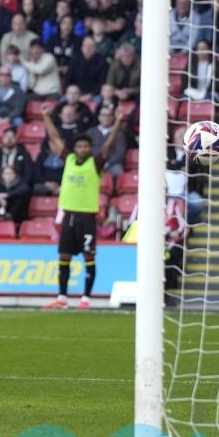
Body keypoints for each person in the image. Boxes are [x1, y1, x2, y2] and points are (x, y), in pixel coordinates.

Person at [42, 104, 124, 311]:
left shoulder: (95, 163)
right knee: (64, 256)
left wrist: (117, 122)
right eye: (79, 146)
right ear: (75, 148)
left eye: (86, 147)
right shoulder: (68, 159)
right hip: (68, 215)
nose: (82, 149)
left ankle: (85, 299)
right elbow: (54, 137)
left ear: (89, 148)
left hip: (87, 217)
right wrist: (45, 116)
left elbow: (109, 143)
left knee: (89, 257)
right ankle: (62, 297)